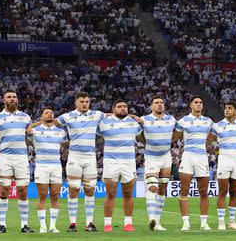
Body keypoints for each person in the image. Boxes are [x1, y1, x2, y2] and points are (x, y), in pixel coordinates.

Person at [54, 92, 106, 232]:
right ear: (76, 102)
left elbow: (115, 116)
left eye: (87, 101)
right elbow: (51, 123)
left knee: (90, 190)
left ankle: (90, 223)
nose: (84, 104)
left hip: (89, 158)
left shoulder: (96, 114)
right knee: (74, 189)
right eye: (82, 101)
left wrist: (133, 117)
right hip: (74, 158)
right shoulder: (67, 116)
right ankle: (73, 223)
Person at [0, 90, 32, 233]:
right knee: (4, 189)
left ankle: (24, 225)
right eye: (9, 97)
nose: (12, 99)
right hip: (5, 158)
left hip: (21, 158)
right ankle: (2, 225)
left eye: (14, 97)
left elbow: (31, 136)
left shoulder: (25, 117)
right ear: (4, 100)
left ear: (17, 100)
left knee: (23, 190)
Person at [98, 99, 142, 232]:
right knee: (110, 193)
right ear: (113, 109)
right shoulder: (104, 123)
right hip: (111, 162)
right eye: (119, 107)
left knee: (128, 193)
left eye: (125, 106)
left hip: (128, 162)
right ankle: (107, 224)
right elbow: (97, 137)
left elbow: (142, 136)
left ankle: (128, 223)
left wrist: (134, 117)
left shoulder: (135, 123)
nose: (123, 108)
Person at [172, 96, 214, 231]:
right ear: (190, 105)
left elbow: (212, 136)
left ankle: (204, 222)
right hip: (188, 156)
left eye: (200, 102)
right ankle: (186, 222)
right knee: (184, 190)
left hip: (202, 157)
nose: (198, 104)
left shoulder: (208, 121)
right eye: (196, 102)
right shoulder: (183, 121)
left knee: (203, 192)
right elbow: (174, 138)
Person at [208, 102, 236, 230]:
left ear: (235, 111)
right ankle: (221, 222)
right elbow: (209, 139)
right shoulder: (217, 125)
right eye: (225, 108)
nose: (226, 110)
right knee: (222, 191)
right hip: (224, 159)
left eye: (229, 108)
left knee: (234, 192)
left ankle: (232, 222)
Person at [139, 96, 176, 231]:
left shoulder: (171, 119)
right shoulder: (144, 119)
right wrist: (147, 143)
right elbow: (137, 133)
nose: (159, 105)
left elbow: (178, 133)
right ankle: (151, 219)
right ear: (151, 107)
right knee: (152, 187)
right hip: (151, 158)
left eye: (161, 103)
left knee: (162, 189)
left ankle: (158, 222)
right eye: (156, 103)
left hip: (166, 157)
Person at [31, 107, 67, 233]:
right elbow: (27, 130)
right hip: (41, 166)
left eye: (51, 112)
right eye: (46, 113)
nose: (49, 114)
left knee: (55, 196)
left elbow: (66, 145)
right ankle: (42, 226)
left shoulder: (61, 132)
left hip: (56, 166)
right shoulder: (35, 130)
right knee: (42, 195)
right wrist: (38, 123)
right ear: (41, 117)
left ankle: (52, 226)